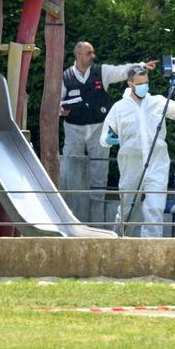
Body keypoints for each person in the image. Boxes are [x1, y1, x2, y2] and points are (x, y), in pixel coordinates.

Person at [58, 42, 155, 223]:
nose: (93, 56)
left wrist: (141, 66)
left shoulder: (101, 72)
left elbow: (121, 71)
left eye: (93, 52)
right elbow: (55, 101)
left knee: (99, 174)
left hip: (98, 129)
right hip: (73, 130)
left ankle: (97, 223)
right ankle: (73, 221)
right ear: (78, 55)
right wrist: (60, 110)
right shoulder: (65, 77)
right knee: (73, 172)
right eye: (88, 53)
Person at [100, 64, 175, 237]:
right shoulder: (119, 108)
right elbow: (104, 137)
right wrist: (108, 139)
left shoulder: (157, 102)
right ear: (130, 84)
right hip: (131, 165)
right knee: (127, 210)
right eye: (140, 83)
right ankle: (118, 243)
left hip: (157, 164)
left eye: (146, 82)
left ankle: (151, 249)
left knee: (155, 209)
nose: (144, 86)